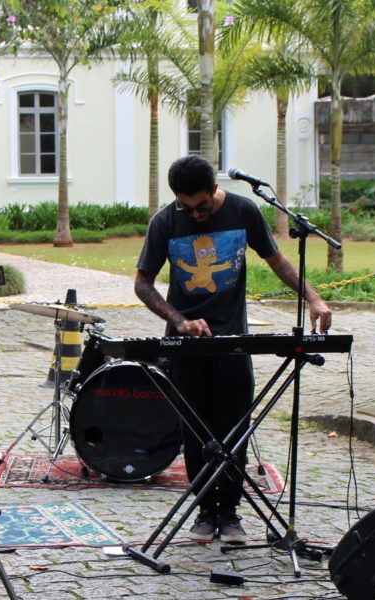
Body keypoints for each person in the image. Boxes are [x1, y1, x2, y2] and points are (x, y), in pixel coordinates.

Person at [134, 155, 332, 543]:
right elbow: (143, 284)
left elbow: (278, 261)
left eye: (202, 205)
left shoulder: (243, 211)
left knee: (234, 429)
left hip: (233, 341)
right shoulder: (165, 222)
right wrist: (179, 320)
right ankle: (205, 512)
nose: (196, 213)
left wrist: (314, 299)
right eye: (187, 207)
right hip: (185, 346)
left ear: (214, 189)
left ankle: (230, 514)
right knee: (195, 433)